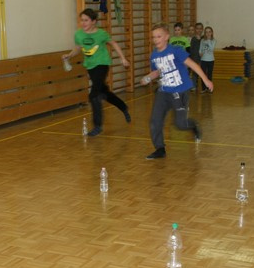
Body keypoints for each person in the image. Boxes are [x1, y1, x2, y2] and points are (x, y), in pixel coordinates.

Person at [141, 23, 214, 159]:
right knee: (155, 121)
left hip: (180, 91)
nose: (155, 39)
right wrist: (148, 77)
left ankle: (193, 126)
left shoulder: (176, 50)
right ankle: (160, 149)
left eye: (159, 36)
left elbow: (193, 64)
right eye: (153, 37)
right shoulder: (154, 55)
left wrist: (206, 80)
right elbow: (157, 71)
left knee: (180, 124)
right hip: (163, 91)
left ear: (167, 37)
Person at [62, 8, 130, 137]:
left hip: (102, 64)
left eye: (86, 20)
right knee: (104, 92)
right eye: (82, 20)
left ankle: (97, 126)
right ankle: (123, 107)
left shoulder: (101, 34)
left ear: (93, 21)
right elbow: (78, 48)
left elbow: (113, 43)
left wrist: (123, 58)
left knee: (94, 95)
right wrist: (69, 55)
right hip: (90, 66)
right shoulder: (79, 34)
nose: (83, 23)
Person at [199, 26, 216, 92]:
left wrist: (208, 40)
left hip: (211, 60)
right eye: (206, 32)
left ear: (211, 33)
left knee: (209, 74)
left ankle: (209, 88)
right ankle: (203, 88)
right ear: (205, 33)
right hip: (203, 60)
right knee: (203, 74)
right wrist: (200, 53)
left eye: (209, 32)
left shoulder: (213, 40)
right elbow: (200, 49)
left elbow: (211, 49)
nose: (208, 33)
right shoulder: (202, 40)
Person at [188, 22, 204, 90]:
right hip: (195, 58)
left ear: (202, 29)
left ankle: (204, 86)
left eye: (200, 29)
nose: (199, 30)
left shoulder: (204, 38)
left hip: (203, 58)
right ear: (195, 30)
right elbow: (192, 49)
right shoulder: (194, 39)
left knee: (203, 72)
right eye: (197, 28)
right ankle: (193, 85)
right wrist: (191, 58)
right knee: (195, 72)